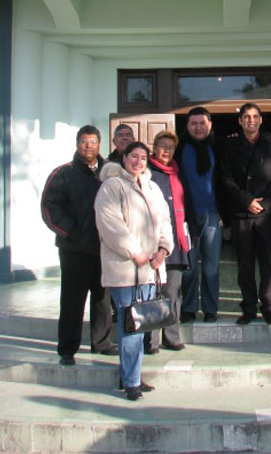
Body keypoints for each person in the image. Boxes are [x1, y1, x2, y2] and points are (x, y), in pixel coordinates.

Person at [95, 141, 173, 400]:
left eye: (143, 157)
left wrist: (163, 249)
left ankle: (131, 374)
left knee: (139, 326)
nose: (138, 161)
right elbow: (111, 225)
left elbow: (165, 221)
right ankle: (131, 382)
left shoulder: (152, 188)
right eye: (133, 156)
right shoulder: (112, 186)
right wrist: (136, 253)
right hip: (126, 270)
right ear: (123, 158)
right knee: (131, 325)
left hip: (151, 269)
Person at [41, 125, 116, 366]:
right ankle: (67, 348)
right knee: (73, 300)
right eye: (84, 141)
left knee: (103, 299)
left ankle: (102, 342)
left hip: (104, 248)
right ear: (77, 144)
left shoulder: (110, 172)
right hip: (74, 250)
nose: (88, 146)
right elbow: (50, 207)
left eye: (93, 141)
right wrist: (71, 232)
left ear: (99, 144)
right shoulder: (63, 174)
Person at [221, 103, 271, 325]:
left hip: (266, 214)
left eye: (255, 116)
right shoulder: (229, 144)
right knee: (245, 264)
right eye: (246, 117)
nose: (250, 120)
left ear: (261, 120)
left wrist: (264, 203)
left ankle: (269, 307)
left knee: (267, 263)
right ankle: (248, 307)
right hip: (241, 212)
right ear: (240, 121)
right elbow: (225, 178)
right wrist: (246, 201)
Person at [144, 130, 196, 353]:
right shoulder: (147, 173)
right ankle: (151, 340)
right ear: (154, 148)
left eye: (170, 147)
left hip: (176, 242)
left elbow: (187, 203)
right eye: (162, 145)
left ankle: (171, 336)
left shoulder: (178, 172)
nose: (166, 150)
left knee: (173, 293)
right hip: (153, 242)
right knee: (153, 292)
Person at [175, 107, 225, 323]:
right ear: (187, 126)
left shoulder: (219, 147)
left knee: (212, 265)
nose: (198, 127)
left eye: (202, 123)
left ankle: (210, 309)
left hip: (213, 214)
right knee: (190, 266)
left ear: (210, 124)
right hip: (188, 216)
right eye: (193, 123)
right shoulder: (179, 149)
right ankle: (188, 307)